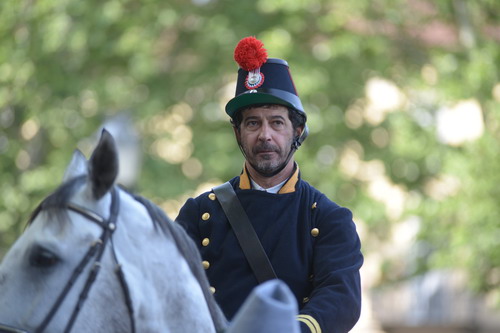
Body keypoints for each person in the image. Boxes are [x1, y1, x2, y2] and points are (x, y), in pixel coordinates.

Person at [176, 36, 363, 333]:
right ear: (238, 133)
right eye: (252, 123)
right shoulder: (199, 214)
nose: (265, 135)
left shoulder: (329, 219)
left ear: (297, 131)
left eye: (277, 122)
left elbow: (340, 299)